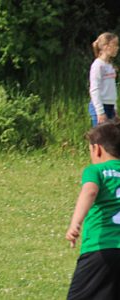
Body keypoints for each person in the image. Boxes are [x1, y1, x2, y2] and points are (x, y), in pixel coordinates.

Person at [65, 121, 120, 299]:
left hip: (100, 248)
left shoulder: (96, 170)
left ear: (97, 149)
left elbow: (90, 191)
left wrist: (75, 223)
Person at [89, 32, 119, 127]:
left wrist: (115, 108)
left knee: (112, 140)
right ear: (106, 46)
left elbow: (111, 90)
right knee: (100, 140)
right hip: (100, 107)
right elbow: (94, 89)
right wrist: (100, 112)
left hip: (110, 107)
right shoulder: (98, 65)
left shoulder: (109, 66)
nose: (117, 48)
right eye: (115, 45)